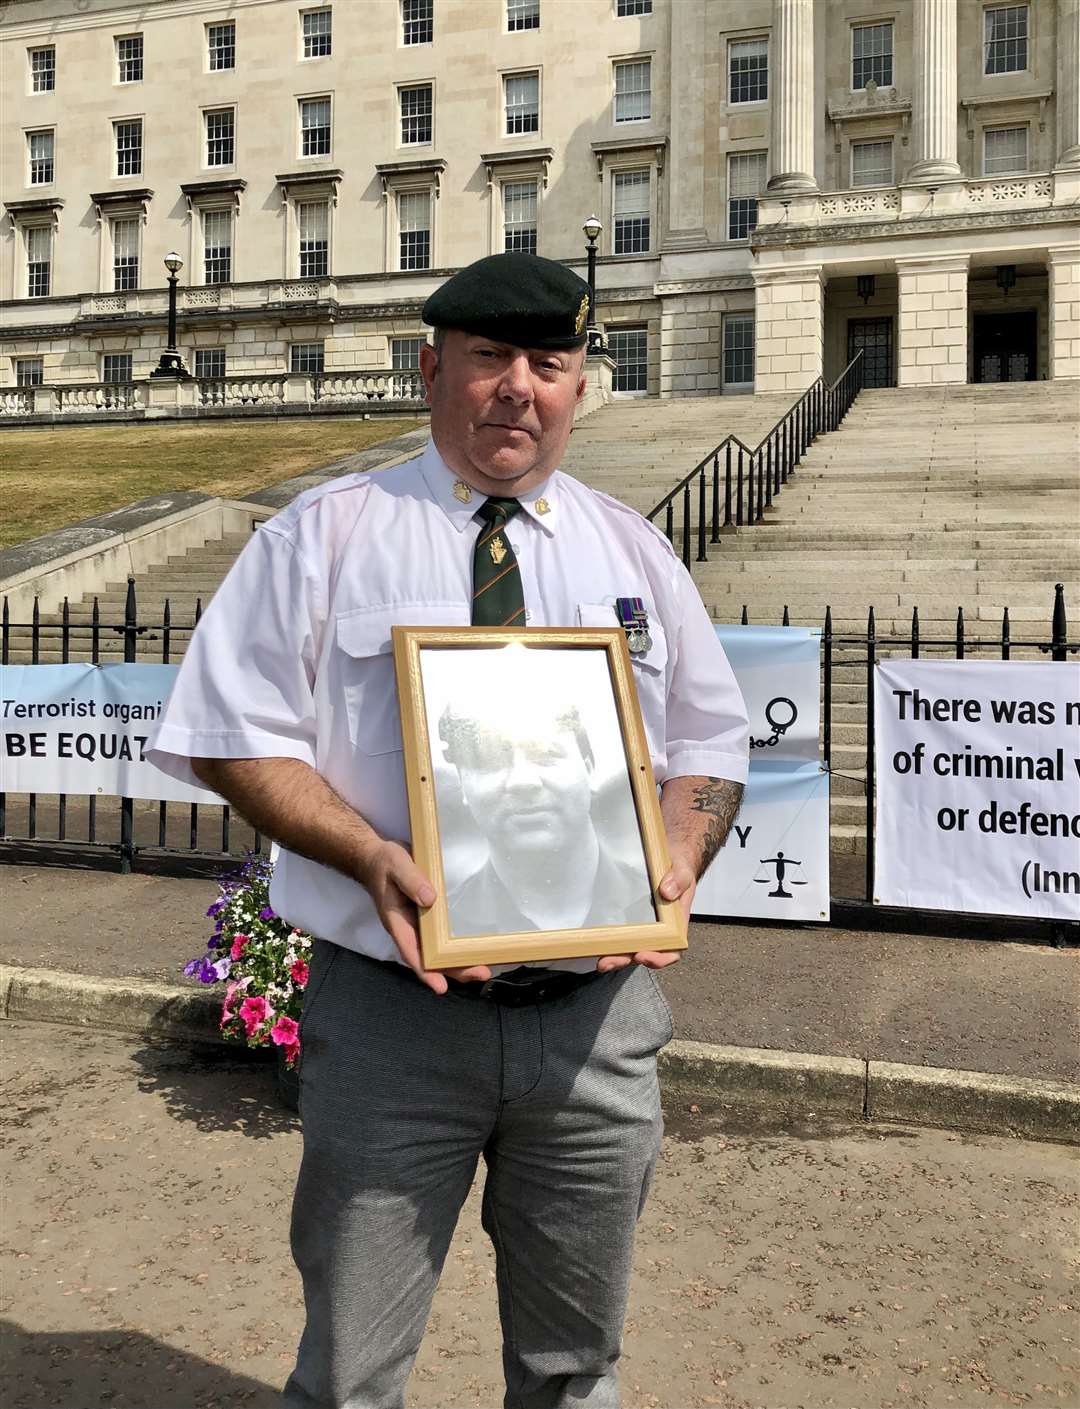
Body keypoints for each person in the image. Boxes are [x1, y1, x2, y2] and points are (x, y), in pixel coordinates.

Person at [146, 251, 749, 1409]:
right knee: (350, 1371)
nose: (520, 385)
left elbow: (710, 747)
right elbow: (231, 731)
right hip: (392, 1023)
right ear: (433, 371)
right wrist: (362, 852)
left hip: (594, 1027)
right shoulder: (326, 536)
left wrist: (679, 854)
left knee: (579, 1367)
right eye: (490, 358)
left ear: (579, 384)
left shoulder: (634, 551)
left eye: (550, 361)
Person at [435, 668, 655, 936]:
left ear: (589, 768)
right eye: (490, 761)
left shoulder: (651, 905)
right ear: (462, 785)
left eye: (546, 754)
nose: (522, 781)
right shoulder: (442, 925)